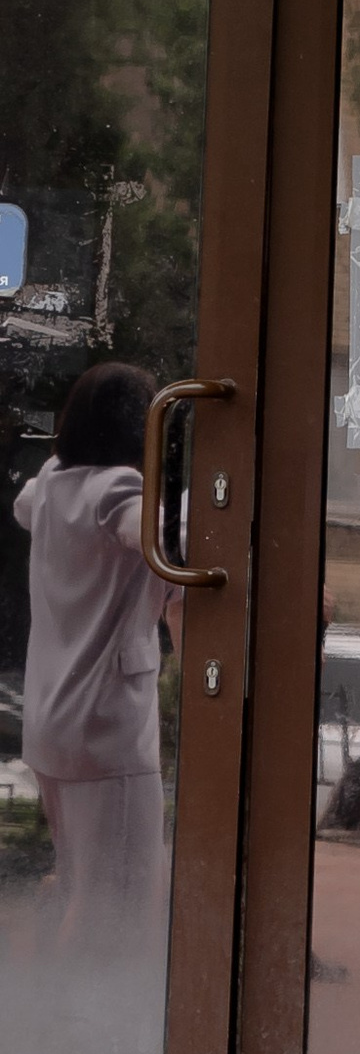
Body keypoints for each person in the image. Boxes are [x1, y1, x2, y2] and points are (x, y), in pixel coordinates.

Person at [12, 358, 176, 950]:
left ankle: (60, 1010)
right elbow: (150, 534)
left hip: (52, 721)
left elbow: (24, 506)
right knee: (116, 901)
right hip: (106, 728)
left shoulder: (52, 482)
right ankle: (84, 1017)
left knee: (81, 882)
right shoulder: (118, 490)